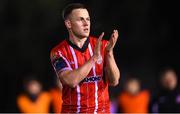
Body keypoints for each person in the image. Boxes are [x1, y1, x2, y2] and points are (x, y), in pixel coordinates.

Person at [50, 3, 120, 113]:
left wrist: (109, 53)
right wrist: (94, 58)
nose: (86, 23)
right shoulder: (58, 52)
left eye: (88, 19)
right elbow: (70, 81)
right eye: (80, 19)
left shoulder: (103, 45)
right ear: (68, 24)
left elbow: (114, 81)